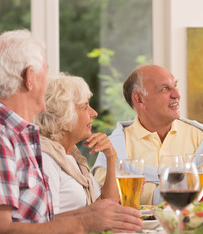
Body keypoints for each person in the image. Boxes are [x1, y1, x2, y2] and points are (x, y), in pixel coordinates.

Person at [0, 29, 142, 233]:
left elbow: (38, 221)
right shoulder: (4, 137)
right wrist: (85, 222)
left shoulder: (21, 136)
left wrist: (89, 214)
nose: (48, 83)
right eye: (45, 72)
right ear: (30, 77)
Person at [92, 64, 203, 205]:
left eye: (175, 86)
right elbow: (102, 205)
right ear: (140, 100)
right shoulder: (114, 147)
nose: (177, 95)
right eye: (165, 89)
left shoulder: (200, 137)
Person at [34, 73, 119, 214]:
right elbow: (45, 222)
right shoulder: (46, 159)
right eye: (85, 107)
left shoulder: (73, 157)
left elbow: (108, 207)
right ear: (62, 120)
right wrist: (88, 214)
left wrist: (111, 157)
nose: (94, 113)